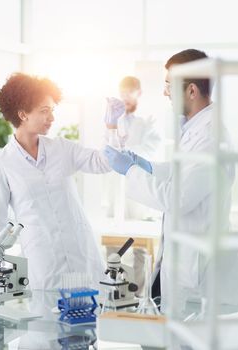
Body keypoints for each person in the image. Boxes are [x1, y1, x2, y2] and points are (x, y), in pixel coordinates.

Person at [104, 49, 237, 314]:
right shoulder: (194, 128)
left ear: (191, 91)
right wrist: (146, 165)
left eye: (168, 85)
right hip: (181, 261)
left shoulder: (209, 135)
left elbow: (178, 197)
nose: (165, 92)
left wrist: (131, 171)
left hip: (195, 271)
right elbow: (182, 173)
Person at [0, 73, 111, 291]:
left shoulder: (61, 148)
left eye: (52, 110)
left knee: (92, 314)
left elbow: (103, 163)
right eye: (44, 111)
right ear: (23, 114)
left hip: (81, 253)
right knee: (47, 320)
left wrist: (112, 128)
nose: (51, 118)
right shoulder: (0, 163)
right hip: (44, 263)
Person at [104, 76, 161, 296]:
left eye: (130, 92)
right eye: (122, 92)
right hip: (115, 188)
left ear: (139, 93)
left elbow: (152, 151)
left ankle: (138, 294)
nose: (125, 96)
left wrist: (128, 150)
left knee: (139, 242)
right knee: (112, 237)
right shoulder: (113, 120)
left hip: (137, 187)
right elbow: (106, 149)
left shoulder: (147, 123)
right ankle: (114, 287)